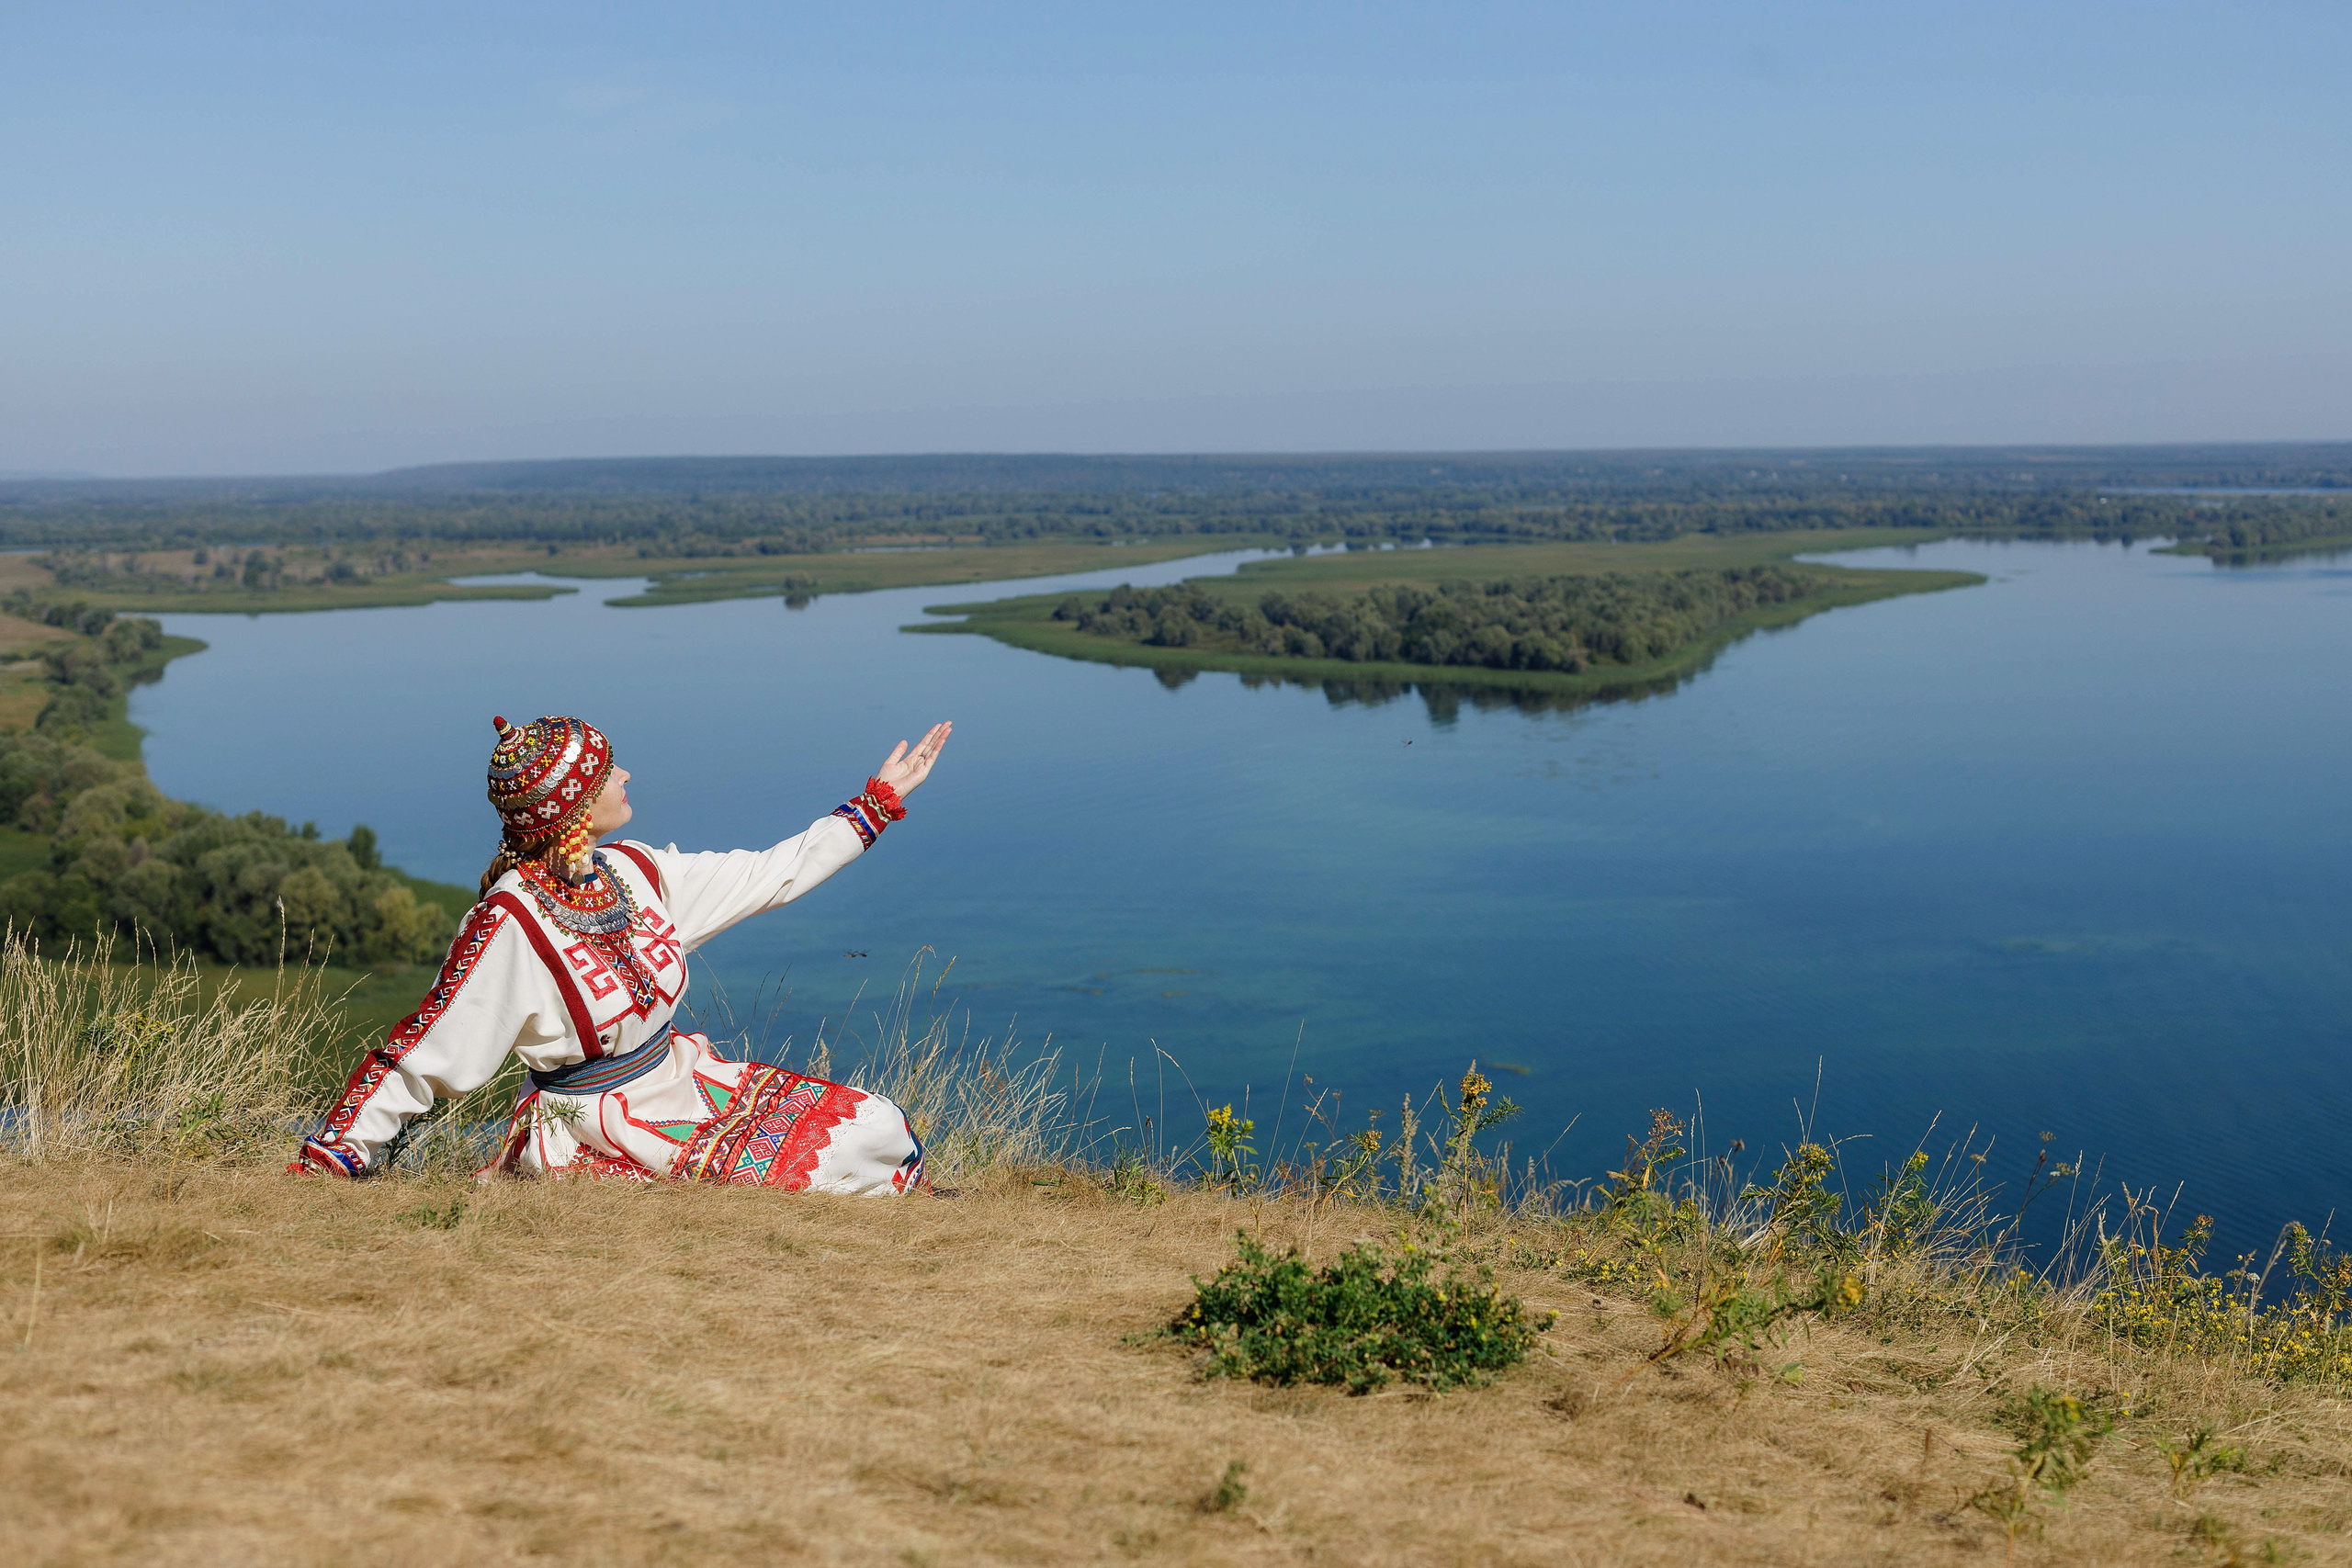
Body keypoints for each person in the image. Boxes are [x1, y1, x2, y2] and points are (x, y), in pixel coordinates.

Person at [289, 713, 952, 1191]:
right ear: (573, 803)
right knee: (832, 1167)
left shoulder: (634, 870)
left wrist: (875, 804)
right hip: (595, 1121)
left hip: (686, 1080)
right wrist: (338, 1151)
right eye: (609, 770)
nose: (627, 774)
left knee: (879, 1125)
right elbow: (424, 1050)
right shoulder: (508, 920)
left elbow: (764, 875)